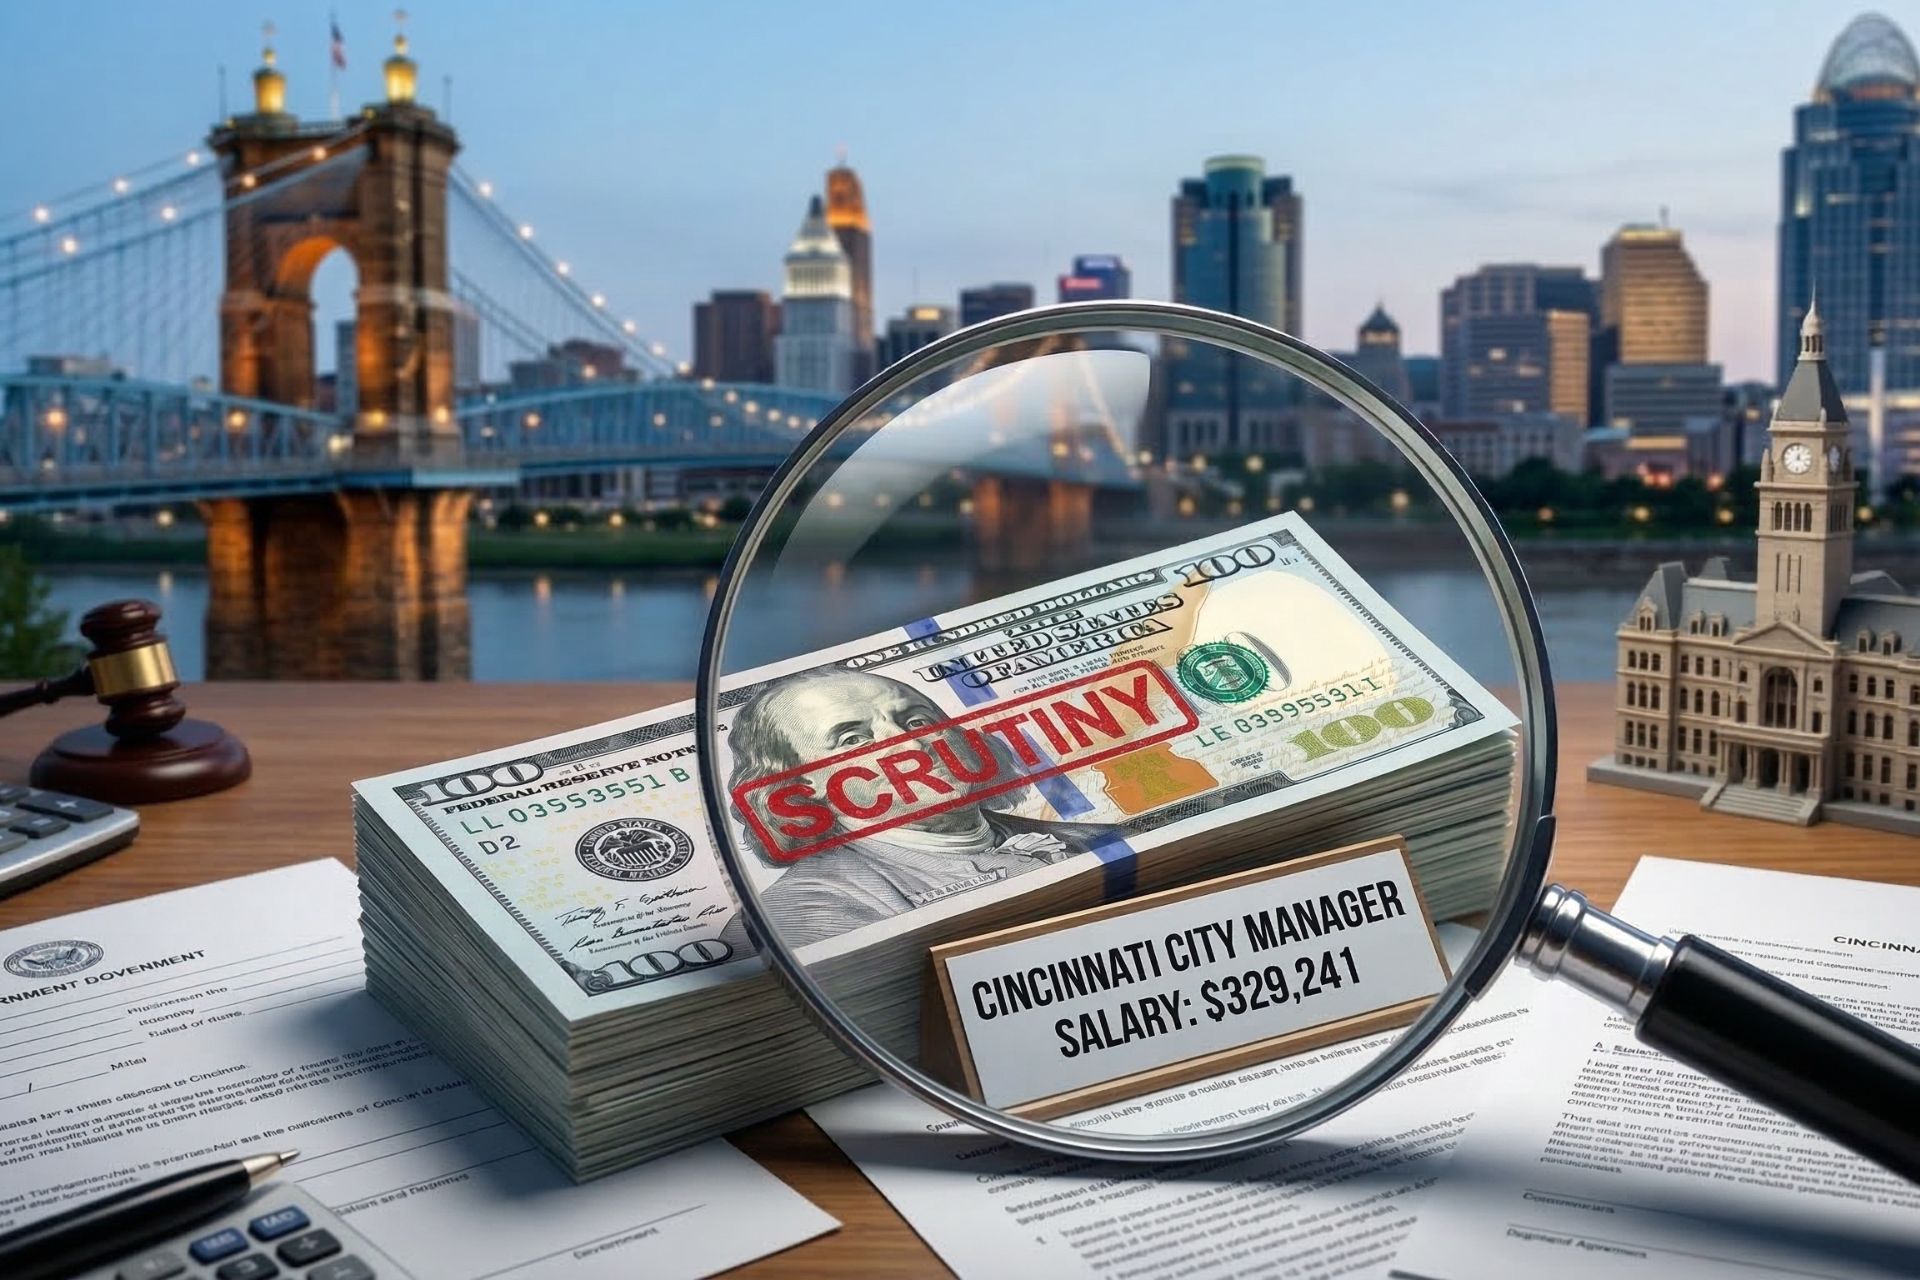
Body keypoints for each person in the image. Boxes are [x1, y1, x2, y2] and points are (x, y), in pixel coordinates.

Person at [718, 668, 1118, 950]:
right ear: (802, 788)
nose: (912, 748)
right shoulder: (796, 914)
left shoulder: (1107, 840)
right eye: (854, 740)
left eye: (914, 722)